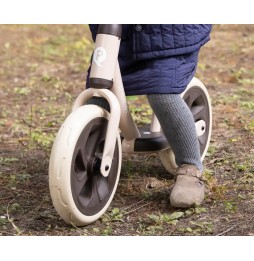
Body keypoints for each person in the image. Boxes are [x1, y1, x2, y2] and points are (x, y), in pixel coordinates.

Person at [86, 24, 212, 208]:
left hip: (168, 38)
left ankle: (190, 167)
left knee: (163, 95)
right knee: (98, 93)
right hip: (119, 38)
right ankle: (83, 159)